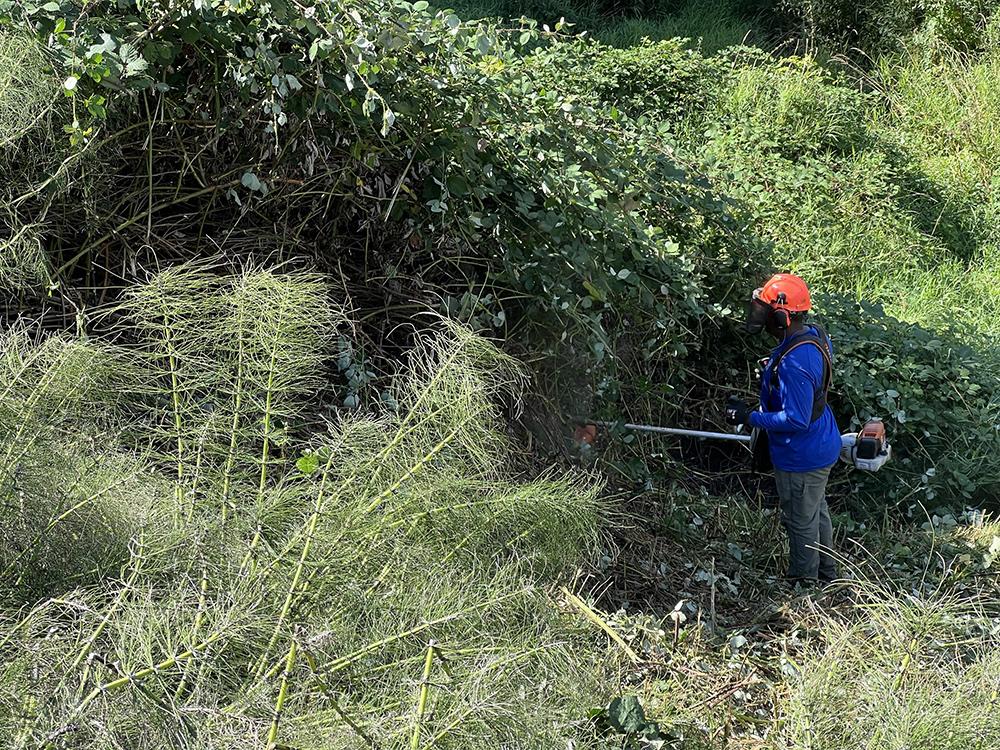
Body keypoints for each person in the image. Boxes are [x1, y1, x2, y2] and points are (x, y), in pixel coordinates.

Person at [724, 273, 842, 584]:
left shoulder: (795, 363)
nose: (761, 319)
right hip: (821, 443)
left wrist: (750, 417)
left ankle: (804, 584)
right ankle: (828, 574)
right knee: (816, 512)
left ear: (782, 317)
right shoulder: (813, 335)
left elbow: (795, 419)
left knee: (801, 521)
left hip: (801, 454)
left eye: (766, 313)